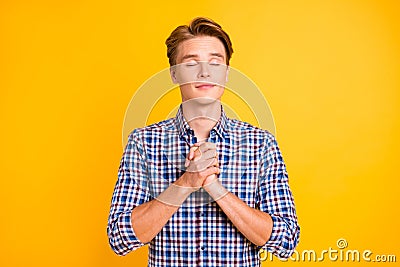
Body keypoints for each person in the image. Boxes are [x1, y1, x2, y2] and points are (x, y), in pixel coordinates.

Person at [107, 17, 300, 266]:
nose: (205, 72)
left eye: (215, 62)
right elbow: (120, 239)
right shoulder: (143, 143)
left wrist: (215, 188)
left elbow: (285, 241)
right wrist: (187, 182)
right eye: (191, 63)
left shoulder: (261, 144)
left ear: (227, 73)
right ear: (174, 74)